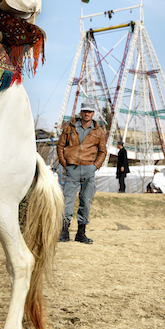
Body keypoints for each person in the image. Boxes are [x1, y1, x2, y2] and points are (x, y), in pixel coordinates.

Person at [57, 102, 107, 244]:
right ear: (81, 112)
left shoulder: (98, 131)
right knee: (67, 201)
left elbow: (103, 151)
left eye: (90, 112)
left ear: (93, 114)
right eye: (84, 111)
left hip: (89, 169)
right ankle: (64, 232)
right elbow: (60, 146)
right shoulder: (69, 127)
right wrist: (64, 162)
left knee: (86, 201)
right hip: (72, 168)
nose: (87, 114)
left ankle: (81, 233)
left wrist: (95, 166)